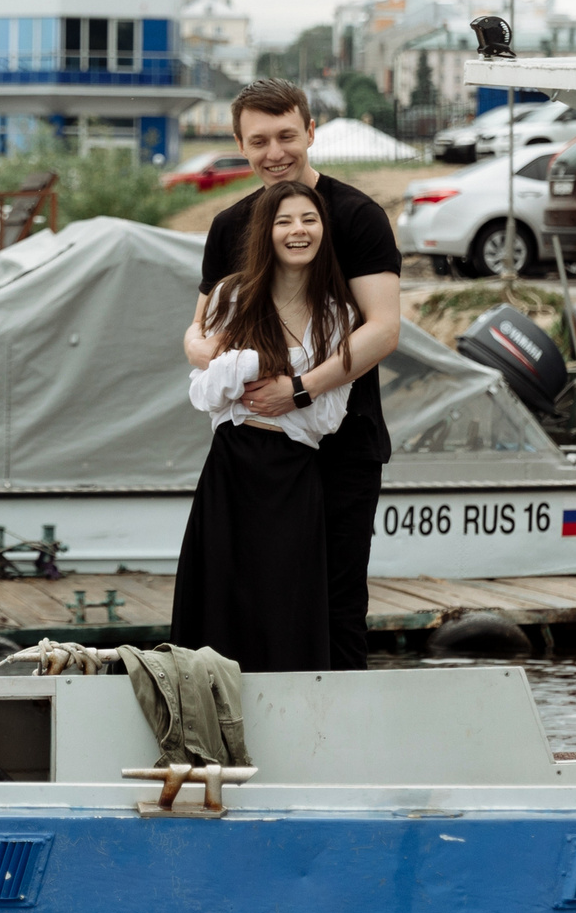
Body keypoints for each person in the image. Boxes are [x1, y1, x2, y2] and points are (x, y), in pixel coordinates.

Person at [183, 79, 403, 669]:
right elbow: (197, 332)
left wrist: (298, 389)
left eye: (286, 135)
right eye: (259, 141)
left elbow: (382, 329)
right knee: (247, 600)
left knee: (335, 604)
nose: (274, 152)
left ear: (311, 132)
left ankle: (340, 747)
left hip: (342, 446)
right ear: (239, 143)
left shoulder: (355, 216)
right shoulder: (231, 226)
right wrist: (214, 358)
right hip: (255, 454)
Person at [171, 179, 359, 671]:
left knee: (285, 607)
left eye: (309, 220)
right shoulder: (231, 296)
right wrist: (254, 365)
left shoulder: (337, 315)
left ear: (322, 230)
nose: (298, 231)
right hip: (230, 468)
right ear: (266, 233)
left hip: (294, 472)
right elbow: (205, 394)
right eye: (284, 221)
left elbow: (328, 416)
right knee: (218, 605)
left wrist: (282, 390)